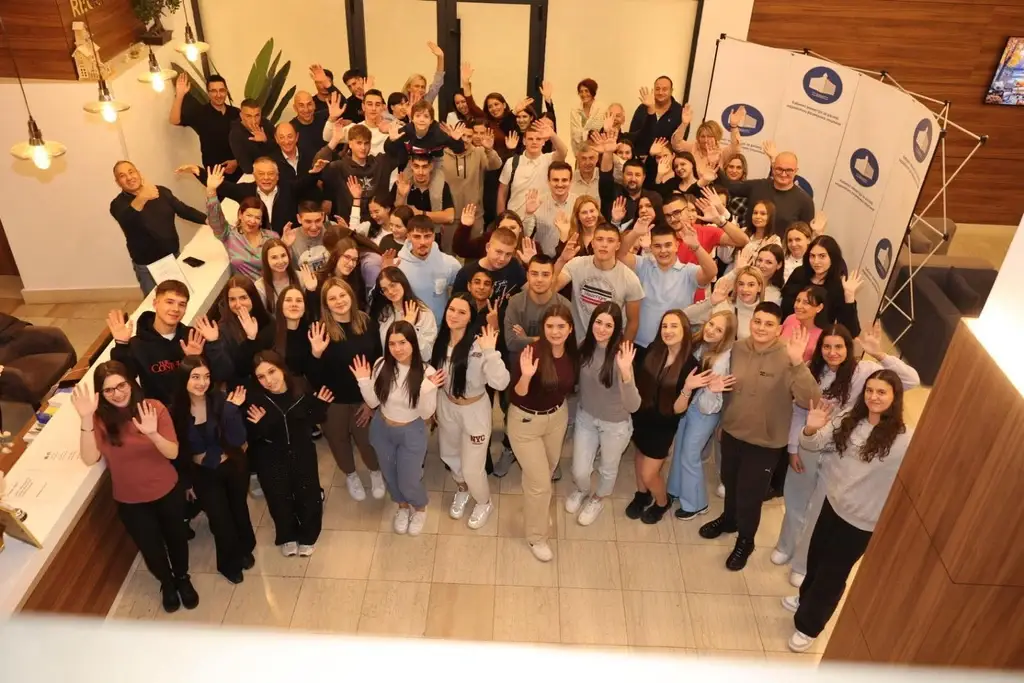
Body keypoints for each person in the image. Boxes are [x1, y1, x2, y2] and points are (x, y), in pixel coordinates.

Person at [774, 322, 919, 587]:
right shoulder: (810, 370)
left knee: (819, 511)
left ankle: (802, 564)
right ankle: (785, 545)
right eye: (827, 347)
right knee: (795, 498)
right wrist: (793, 447)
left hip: (839, 454)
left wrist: (879, 353)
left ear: (848, 348)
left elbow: (911, 381)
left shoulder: (865, 371)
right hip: (808, 443)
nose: (833, 352)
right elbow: (798, 411)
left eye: (839, 346)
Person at [784, 370, 912, 653]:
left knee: (832, 574)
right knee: (816, 559)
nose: (874, 397)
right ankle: (805, 600)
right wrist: (810, 428)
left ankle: (809, 626)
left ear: (895, 397)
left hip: (861, 522)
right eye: (870, 390)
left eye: (882, 392)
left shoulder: (905, 440)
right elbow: (812, 444)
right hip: (832, 504)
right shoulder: (849, 420)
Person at [699, 302, 820, 571]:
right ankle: (729, 520)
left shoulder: (789, 355)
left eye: (769, 324)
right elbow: (729, 388)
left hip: (765, 442)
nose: (761, 328)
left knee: (750, 495)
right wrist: (723, 421)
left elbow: (810, 399)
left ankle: (746, 540)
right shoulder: (738, 348)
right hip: (733, 432)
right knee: (730, 481)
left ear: (778, 329)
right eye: (757, 321)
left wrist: (798, 363)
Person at [71, 361, 198, 613]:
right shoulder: (99, 420)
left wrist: (152, 433)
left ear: (131, 383)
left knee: (176, 539)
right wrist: (85, 418)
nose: (117, 393)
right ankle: (167, 583)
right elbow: (89, 458)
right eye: (109, 390)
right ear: (101, 394)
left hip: (166, 490)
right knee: (151, 548)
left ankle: (182, 577)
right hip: (130, 500)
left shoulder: (153, 408)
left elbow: (172, 452)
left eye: (122, 385)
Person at [353, 320, 445, 536]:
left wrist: (426, 389)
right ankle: (402, 506)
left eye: (402, 342)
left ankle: (419, 508)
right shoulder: (381, 365)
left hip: (411, 432)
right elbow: (374, 402)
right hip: (382, 428)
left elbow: (425, 414)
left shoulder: (427, 371)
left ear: (412, 342)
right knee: (390, 475)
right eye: (392, 344)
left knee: (409, 479)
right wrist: (363, 381)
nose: (397, 349)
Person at [170, 356, 255, 584]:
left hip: (232, 466)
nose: (202, 383)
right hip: (203, 474)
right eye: (195, 377)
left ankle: (245, 549)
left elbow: (238, 439)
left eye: (206, 377)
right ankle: (228, 563)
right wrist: (187, 482)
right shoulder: (176, 411)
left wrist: (231, 412)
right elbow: (178, 454)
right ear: (184, 379)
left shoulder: (221, 400)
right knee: (220, 519)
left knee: (238, 510)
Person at [507, 304, 579, 562]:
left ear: (570, 329)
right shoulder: (531, 352)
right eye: (550, 326)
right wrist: (526, 376)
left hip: (557, 418)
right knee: (540, 485)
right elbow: (516, 394)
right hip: (526, 422)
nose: (555, 332)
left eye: (561, 326)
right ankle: (536, 537)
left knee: (545, 471)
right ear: (543, 328)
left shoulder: (572, 353)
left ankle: (535, 509)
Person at [304, 278, 385, 501]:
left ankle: (375, 471)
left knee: (367, 440)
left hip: (363, 398)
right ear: (325, 304)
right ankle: (350, 474)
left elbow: (378, 362)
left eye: (342, 295)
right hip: (333, 400)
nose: (339, 301)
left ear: (351, 296)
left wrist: (370, 401)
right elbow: (313, 376)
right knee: (338, 440)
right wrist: (316, 354)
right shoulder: (319, 330)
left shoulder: (367, 322)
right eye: (332, 298)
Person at [431, 294, 509, 527]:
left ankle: (484, 502)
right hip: (447, 406)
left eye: (462, 312)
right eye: (451, 309)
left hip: (474, 411)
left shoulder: (480, 345)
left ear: (470, 317)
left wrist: (491, 352)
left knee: (473, 467)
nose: (454, 315)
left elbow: (501, 382)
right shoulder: (439, 341)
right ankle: (462, 489)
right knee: (450, 455)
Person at [624, 309, 706, 524]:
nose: (668, 331)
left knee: (650, 473)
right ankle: (642, 495)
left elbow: (678, 410)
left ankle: (662, 502)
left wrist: (687, 388)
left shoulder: (691, 366)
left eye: (674, 326)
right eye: (664, 326)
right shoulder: (654, 350)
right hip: (642, 418)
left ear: (685, 330)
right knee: (639, 456)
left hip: (663, 427)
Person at [246, 350, 330, 556]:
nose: (268, 380)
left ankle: (309, 534)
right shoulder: (255, 399)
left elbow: (314, 420)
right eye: (261, 376)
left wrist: (320, 406)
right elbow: (253, 436)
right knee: (278, 498)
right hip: (271, 456)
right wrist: (259, 425)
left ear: (282, 369)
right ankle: (287, 535)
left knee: (307, 494)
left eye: (271, 371)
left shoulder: (301, 391)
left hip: (302, 451)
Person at [566, 303, 641, 526]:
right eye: (598, 322)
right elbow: (577, 386)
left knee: (608, 468)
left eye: (609, 325)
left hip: (615, 424)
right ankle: (582, 489)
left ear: (616, 329)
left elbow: (634, 405)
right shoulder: (584, 346)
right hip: (586, 418)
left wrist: (626, 374)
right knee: (579, 470)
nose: (601, 328)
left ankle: (598, 499)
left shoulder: (621, 357)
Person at [108, 279, 230, 405]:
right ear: (155, 303)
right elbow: (122, 380)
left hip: (194, 408)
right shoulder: (138, 344)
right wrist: (121, 345)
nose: (176, 309)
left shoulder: (193, 337)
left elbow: (222, 375)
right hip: (159, 411)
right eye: (169, 302)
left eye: (182, 304)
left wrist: (199, 357)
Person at [666, 310, 737, 518]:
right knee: (680, 448)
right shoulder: (700, 344)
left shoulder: (721, 360)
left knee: (690, 454)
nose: (711, 330)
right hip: (690, 404)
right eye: (711, 324)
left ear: (726, 336)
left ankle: (696, 504)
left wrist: (711, 391)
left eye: (719, 330)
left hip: (704, 412)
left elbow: (710, 405)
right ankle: (676, 489)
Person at [617, 220, 716, 354]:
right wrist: (635, 233)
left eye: (668, 245)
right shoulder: (643, 265)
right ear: (651, 247)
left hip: (673, 348)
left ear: (676, 245)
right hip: (640, 345)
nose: (663, 250)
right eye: (657, 246)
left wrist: (696, 247)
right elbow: (619, 254)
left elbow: (711, 271)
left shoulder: (688, 272)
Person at [109, 161, 206, 294]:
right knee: (153, 302)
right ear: (118, 182)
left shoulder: (161, 191)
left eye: (131, 172)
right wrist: (142, 197)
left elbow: (183, 210)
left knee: (179, 296)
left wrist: (208, 220)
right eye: (122, 176)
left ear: (139, 173)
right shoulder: (117, 205)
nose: (129, 177)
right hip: (147, 266)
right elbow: (127, 221)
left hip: (173, 256)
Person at [553, 223, 645, 342]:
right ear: (592, 243)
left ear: (618, 245)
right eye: (599, 239)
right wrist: (561, 260)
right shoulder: (576, 264)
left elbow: (633, 322)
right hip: (577, 342)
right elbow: (552, 289)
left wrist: (623, 348)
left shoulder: (630, 279)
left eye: (610, 241)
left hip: (609, 345)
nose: (604, 244)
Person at [183, 156, 319, 234]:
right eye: (261, 174)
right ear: (254, 175)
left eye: (271, 174)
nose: (266, 178)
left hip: (287, 243)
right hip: (256, 247)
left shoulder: (289, 188)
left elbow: (306, 181)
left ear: (277, 176)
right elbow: (222, 186)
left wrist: (317, 171)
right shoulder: (245, 191)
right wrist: (197, 171)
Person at [200, 164, 279, 279]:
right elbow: (216, 220)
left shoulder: (272, 238)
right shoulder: (229, 235)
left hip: (270, 286)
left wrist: (286, 245)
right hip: (243, 288)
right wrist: (211, 191)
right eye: (249, 215)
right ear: (240, 215)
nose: (252, 221)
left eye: (257, 218)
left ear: (262, 221)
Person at [315, 122, 400, 219]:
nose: (363, 148)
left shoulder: (380, 163)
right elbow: (317, 166)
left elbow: (397, 156)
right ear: (350, 144)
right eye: (359, 143)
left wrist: (392, 141)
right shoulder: (339, 167)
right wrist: (334, 141)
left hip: (378, 223)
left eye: (366, 143)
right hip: (349, 224)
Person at [781, 234, 861, 336]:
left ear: (833, 258)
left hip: (819, 338)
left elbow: (851, 332)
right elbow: (784, 307)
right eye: (812, 256)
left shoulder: (839, 285)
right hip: (789, 331)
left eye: (822, 256)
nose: (816, 261)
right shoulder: (799, 274)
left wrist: (849, 296)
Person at [719, 147, 814, 232]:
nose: (783, 174)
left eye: (789, 170)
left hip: (779, 246)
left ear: (796, 171)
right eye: (779, 169)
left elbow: (806, 235)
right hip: (747, 244)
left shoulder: (805, 201)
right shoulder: (757, 186)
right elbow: (730, 186)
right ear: (773, 168)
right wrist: (714, 164)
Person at [442, 117, 503, 242]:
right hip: (450, 217)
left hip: (475, 215)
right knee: (449, 252)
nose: (465, 139)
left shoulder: (478, 152)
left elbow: (496, 165)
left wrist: (489, 150)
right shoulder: (441, 154)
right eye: (462, 135)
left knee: (474, 252)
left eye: (469, 136)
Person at [170, 74, 239, 178]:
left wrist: (237, 161)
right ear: (208, 93)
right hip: (214, 173)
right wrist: (180, 95)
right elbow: (174, 120)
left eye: (222, 90)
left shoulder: (236, 113)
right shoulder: (200, 113)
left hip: (239, 169)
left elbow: (246, 141)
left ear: (226, 91)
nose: (218, 95)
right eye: (214, 91)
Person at [395, 215, 461, 323]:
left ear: (434, 236)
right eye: (417, 236)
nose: (423, 242)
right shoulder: (397, 266)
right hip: (411, 328)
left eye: (427, 236)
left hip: (441, 327)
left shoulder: (450, 263)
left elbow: (462, 296)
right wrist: (386, 273)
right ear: (408, 237)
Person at [497, 117, 568, 217]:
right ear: (524, 141)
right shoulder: (512, 162)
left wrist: (552, 135)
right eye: (530, 139)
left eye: (538, 139)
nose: (534, 142)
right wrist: (501, 219)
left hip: (543, 218)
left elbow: (563, 152)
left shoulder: (549, 159)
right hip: (516, 218)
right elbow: (502, 193)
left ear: (544, 142)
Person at [371, 266, 438, 358]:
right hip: (389, 364)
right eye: (384, 289)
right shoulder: (384, 313)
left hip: (414, 365)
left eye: (393, 285)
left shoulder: (424, 313)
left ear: (402, 282)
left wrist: (410, 327)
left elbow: (427, 355)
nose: (390, 291)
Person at [595, 138, 664, 227]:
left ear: (643, 177)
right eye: (629, 174)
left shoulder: (654, 197)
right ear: (623, 175)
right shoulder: (612, 192)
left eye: (637, 175)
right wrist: (608, 153)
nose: (633, 179)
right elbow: (605, 175)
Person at [452, 227, 526, 304]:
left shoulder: (514, 265)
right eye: (498, 252)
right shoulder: (466, 272)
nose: (502, 258)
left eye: (508, 254)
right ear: (488, 247)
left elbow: (530, 291)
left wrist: (529, 263)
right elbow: (455, 305)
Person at [523, 161, 577, 257]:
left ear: (570, 182)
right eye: (555, 180)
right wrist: (528, 214)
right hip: (543, 260)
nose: (560, 184)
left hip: (573, 259)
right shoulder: (537, 203)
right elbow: (526, 234)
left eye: (564, 180)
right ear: (548, 182)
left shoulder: (579, 203)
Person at [670, 108, 743, 178]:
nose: (706, 140)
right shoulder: (693, 147)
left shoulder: (722, 151)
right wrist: (684, 124)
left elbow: (736, 148)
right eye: (703, 136)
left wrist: (734, 127)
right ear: (698, 137)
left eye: (709, 136)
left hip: (713, 185)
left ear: (717, 137)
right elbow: (676, 144)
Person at [393, 154, 457, 232]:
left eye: (424, 167)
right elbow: (395, 215)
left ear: (431, 166)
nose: (420, 172)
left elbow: (449, 217)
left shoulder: (441, 185)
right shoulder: (402, 184)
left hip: (432, 234)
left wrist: (420, 213)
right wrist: (402, 196)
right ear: (411, 165)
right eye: (416, 166)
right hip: (408, 235)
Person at [628, 77, 683, 158]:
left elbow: (679, 142)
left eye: (664, 89)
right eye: (657, 89)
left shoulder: (679, 112)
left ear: (671, 91)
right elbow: (632, 134)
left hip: (664, 159)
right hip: (640, 158)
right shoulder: (643, 108)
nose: (660, 92)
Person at [228, 99, 276, 175]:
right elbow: (247, 168)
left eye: (257, 115)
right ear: (241, 116)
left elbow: (280, 149)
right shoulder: (236, 135)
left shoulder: (266, 124)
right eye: (249, 116)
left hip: (276, 169)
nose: (254, 121)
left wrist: (266, 141)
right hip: (257, 175)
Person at [781, 286, 827, 363]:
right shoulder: (791, 318)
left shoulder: (823, 335)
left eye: (806, 303)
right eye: (798, 301)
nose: (798, 306)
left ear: (819, 307)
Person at [570, 78, 606, 156]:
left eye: (586, 91)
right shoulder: (575, 110)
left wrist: (584, 134)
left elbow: (596, 131)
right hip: (578, 149)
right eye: (581, 91)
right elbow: (574, 132)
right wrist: (587, 134)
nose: (584, 94)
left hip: (597, 149)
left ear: (593, 92)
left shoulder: (601, 108)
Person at [290, 90, 330, 161]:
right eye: (301, 105)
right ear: (295, 108)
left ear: (314, 105)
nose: (306, 110)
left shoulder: (326, 117)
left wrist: (343, 152)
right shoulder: (291, 129)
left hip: (332, 163)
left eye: (309, 104)